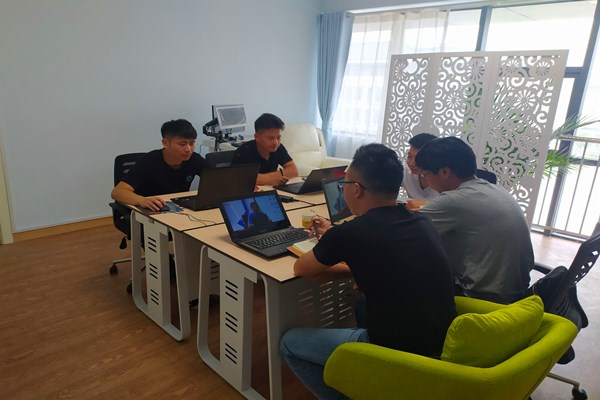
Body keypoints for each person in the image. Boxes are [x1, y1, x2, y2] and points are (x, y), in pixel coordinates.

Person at [280, 143, 456, 400]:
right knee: (362, 303)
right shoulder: (421, 220)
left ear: (356, 189)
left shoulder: (351, 233)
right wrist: (354, 262)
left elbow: (301, 268)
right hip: (442, 344)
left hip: (397, 352)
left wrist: (341, 251)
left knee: (290, 343)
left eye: (344, 184)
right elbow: (386, 257)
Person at [415, 136, 534, 304]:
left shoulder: (454, 200)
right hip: (516, 293)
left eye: (425, 175)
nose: (426, 181)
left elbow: (404, 230)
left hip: (483, 299)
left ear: (444, 172)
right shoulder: (495, 189)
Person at [111, 119, 212, 211]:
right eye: (182, 144)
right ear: (165, 143)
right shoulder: (149, 161)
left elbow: (216, 178)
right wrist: (142, 200)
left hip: (179, 207)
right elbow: (117, 192)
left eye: (192, 143)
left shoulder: (194, 159)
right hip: (151, 210)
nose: (188, 149)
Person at [231, 113, 298, 186]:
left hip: (271, 189)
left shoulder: (279, 148)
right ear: (256, 137)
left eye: (278, 138)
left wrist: (262, 179)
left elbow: (294, 171)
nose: (275, 142)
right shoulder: (243, 152)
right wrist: (272, 179)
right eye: (270, 138)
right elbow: (240, 178)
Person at [402, 133, 439, 200]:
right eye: (409, 156)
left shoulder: (444, 179)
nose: (412, 164)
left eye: (418, 159)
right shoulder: (405, 172)